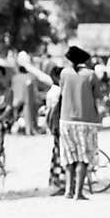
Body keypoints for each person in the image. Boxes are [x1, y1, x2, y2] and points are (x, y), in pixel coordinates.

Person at [59, 46, 100, 201]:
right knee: (84, 157)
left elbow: (63, 92)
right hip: (86, 121)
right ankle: (78, 192)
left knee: (69, 156)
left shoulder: (64, 73)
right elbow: (98, 96)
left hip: (66, 120)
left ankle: (68, 191)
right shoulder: (91, 75)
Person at [45, 66, 65, 194]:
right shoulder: (59, 92)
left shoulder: (51, 92)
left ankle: (56, 181)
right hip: (60, 125)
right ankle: (63, 183)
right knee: (62, 155)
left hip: (55, 126)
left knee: (57, 154)